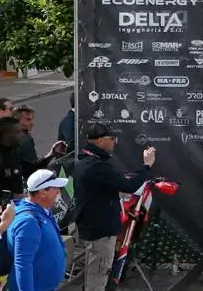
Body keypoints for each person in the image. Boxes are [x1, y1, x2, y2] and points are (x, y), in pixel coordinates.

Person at [71, 124, 153, 291]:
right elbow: (129, 186)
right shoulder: (96, 166)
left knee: (95, 273)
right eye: (112, 139)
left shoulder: (87, 161)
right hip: (100, 230)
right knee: (98, 276)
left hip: (93, 227)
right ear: (100, 141)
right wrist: (146, 166)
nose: (114, 142)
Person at [9, 171, 68, 291]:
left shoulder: (42, 211)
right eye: (55, 188)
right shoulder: (28, 222)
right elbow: (22, 265)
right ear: (43, 192)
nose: (59, 192)